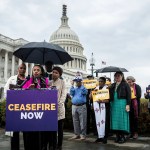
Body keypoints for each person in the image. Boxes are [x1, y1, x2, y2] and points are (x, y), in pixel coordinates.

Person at [22, 64, 49, 150]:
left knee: (40, 135)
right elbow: (21, 93)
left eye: (38, 70)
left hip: (41, 111)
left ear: (41, 72)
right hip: (30, 111)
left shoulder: (45, 81)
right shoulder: (27, 80)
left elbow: (49, 94)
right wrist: (28, 89)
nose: (36, 71)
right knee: (29, 134)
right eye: (34, 70)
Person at [4, 63, 27, 150]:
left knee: (26, 132)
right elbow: (6, 91)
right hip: (14, 109)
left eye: (24, 68)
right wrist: (12, 99)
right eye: (21, 68)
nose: (22, 70)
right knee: (14, 133)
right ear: (18, 69)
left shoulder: (27, 80)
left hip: (24, 109)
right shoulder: (12, 79)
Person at [109, 71, 131, 144]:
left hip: (122, 103)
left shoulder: (125, 84)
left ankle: (123, 136)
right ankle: (117, 136)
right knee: (115, 120)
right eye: (116, 76)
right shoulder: (112, 85)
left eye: (119, 76)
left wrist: (128, 104)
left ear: (122, 76)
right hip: (114, 104)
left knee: (122, 119)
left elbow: (129, 95)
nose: (117, 77)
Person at [89, 77, 110, 144]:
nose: (100, 82)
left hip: (105, 108)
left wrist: (102, 101)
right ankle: (99, 136)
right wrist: (91, 92)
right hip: (97, 108)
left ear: (104, 82)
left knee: (105, 122)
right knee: (97, 121)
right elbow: (91, 98)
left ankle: (105, 137)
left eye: (101, 81)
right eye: (99, 81)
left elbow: (109, 100)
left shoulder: (107, 89)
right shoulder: (96, 88)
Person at [69, 75, 88, 140]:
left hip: (81, 106)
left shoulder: (84, 88)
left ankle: (83, 135)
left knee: (82, 121)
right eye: (76, 81)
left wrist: (82, 85)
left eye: (78, 81)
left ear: (80, 82)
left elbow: (85, 92)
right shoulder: (75, 88)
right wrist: (72, 85)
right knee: (75, 121)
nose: (77, 83)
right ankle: (77, 134)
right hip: (74, 106)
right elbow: (71, 93)